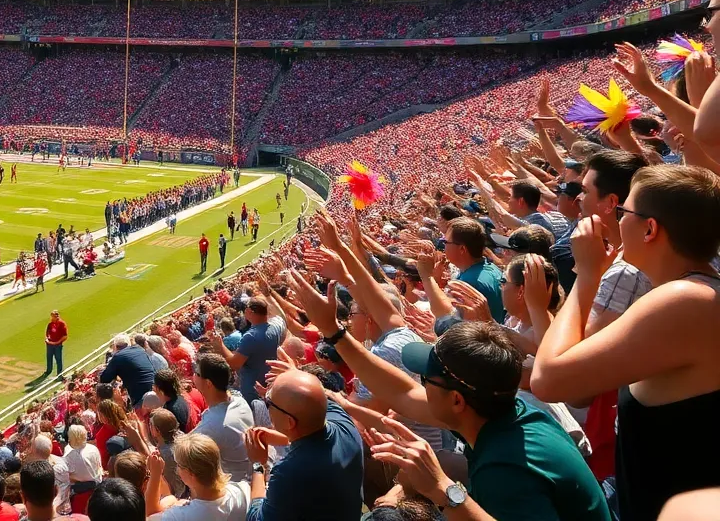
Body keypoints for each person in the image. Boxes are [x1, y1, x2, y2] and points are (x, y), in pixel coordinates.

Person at [290, 267, 608, 521]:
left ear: (457, 400)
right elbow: (399, 392)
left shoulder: (505, 469)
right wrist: (334, 331)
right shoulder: (502, 410)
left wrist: (443, 490)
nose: (419, 385)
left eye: (426, 379)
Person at [532, 165, 720, 521]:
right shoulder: (694, 291)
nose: (616, 221)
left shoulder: (685, 300)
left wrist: (586, 277)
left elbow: (550, 380)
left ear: (650, 228)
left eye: (623, 212)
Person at [243, 370, 364, 521]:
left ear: (289, 422)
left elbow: (257, 518)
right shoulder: (343, 422)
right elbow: (312, 402)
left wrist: (258, 465)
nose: (266, 405)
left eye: (269, 403)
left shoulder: (290, 472)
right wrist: (284, 437)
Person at [146, 433, 249, 520]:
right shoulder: (243, 492)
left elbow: (150, 515)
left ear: (191, 474)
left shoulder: (180, 516)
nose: (177, 470)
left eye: (179, 465)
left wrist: (155, 475)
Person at [192, 353, 254, 483]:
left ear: (208, 383)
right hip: (248, 478)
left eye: (196, 373)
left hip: (233, 488)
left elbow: (181, 449)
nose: (193, 375)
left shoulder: (211, 427)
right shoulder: (239, 401)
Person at [211, 298, 280, 405]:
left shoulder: (251, 336)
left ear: (249, 311)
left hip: (254, 390)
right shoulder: (274, 328)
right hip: (268, 382)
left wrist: (220, 345)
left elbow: (234, 364)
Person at [100, 333, 157, 406]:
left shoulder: (118, 357)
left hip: (141, 397)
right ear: (129, 343)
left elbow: (104, 379)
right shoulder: (139, 349)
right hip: (156, 387)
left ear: (115, 347)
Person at [63, 423, 103, 516]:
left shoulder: (70, 455)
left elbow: (67, 476)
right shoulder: (93, 449)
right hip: (96, 485)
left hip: (80, 490)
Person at [46, 310, 68, 379]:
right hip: (49, 345)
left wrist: (57, 342)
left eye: (53, 316)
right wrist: (47, 339)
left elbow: (65, 336)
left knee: (58, 359)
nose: (51, 318)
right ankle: (48, 370)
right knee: (49, 357)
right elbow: (47, 333)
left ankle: (60, 374)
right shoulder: (50, 324)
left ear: (56, 316)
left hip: (57, 346)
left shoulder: (62, 324)